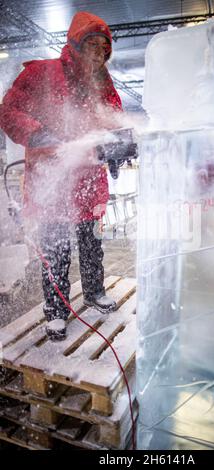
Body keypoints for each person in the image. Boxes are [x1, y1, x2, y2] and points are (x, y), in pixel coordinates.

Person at [0, 11, 123, 341]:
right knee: (55, 251)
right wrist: (37, 134)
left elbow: (115, 123)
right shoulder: (43, 73)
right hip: (51, 182)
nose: (99, 53)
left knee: (92, 243)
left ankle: (95, 292)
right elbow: (8, 110)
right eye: (92, 45)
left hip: (90, 184)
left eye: (104, 48)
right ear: (75, 45)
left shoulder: (104, 85)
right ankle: (56, 311)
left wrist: (120, 145)